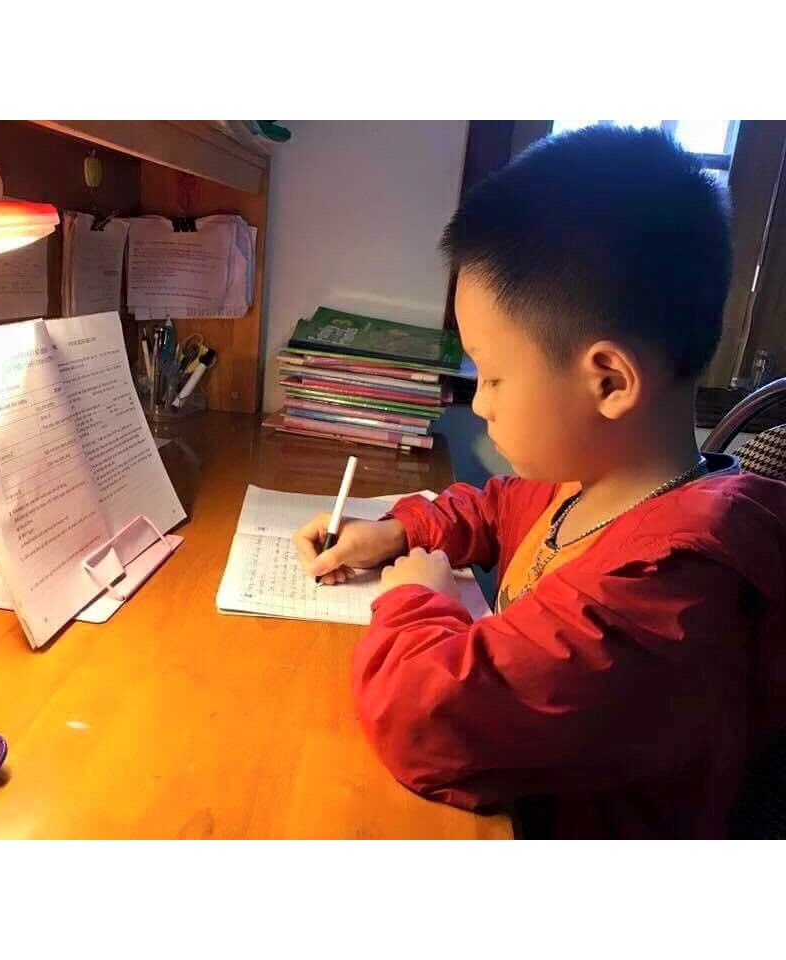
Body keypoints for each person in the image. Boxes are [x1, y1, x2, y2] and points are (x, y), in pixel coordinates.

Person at [293, 126, 786, 838]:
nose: (480, 403)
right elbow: (497, 508)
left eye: (494, 376)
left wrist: (417, 602)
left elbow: (425, 717)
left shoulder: (666, 594)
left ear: (609, 382)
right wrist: (400, 531)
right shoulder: (594, 482)